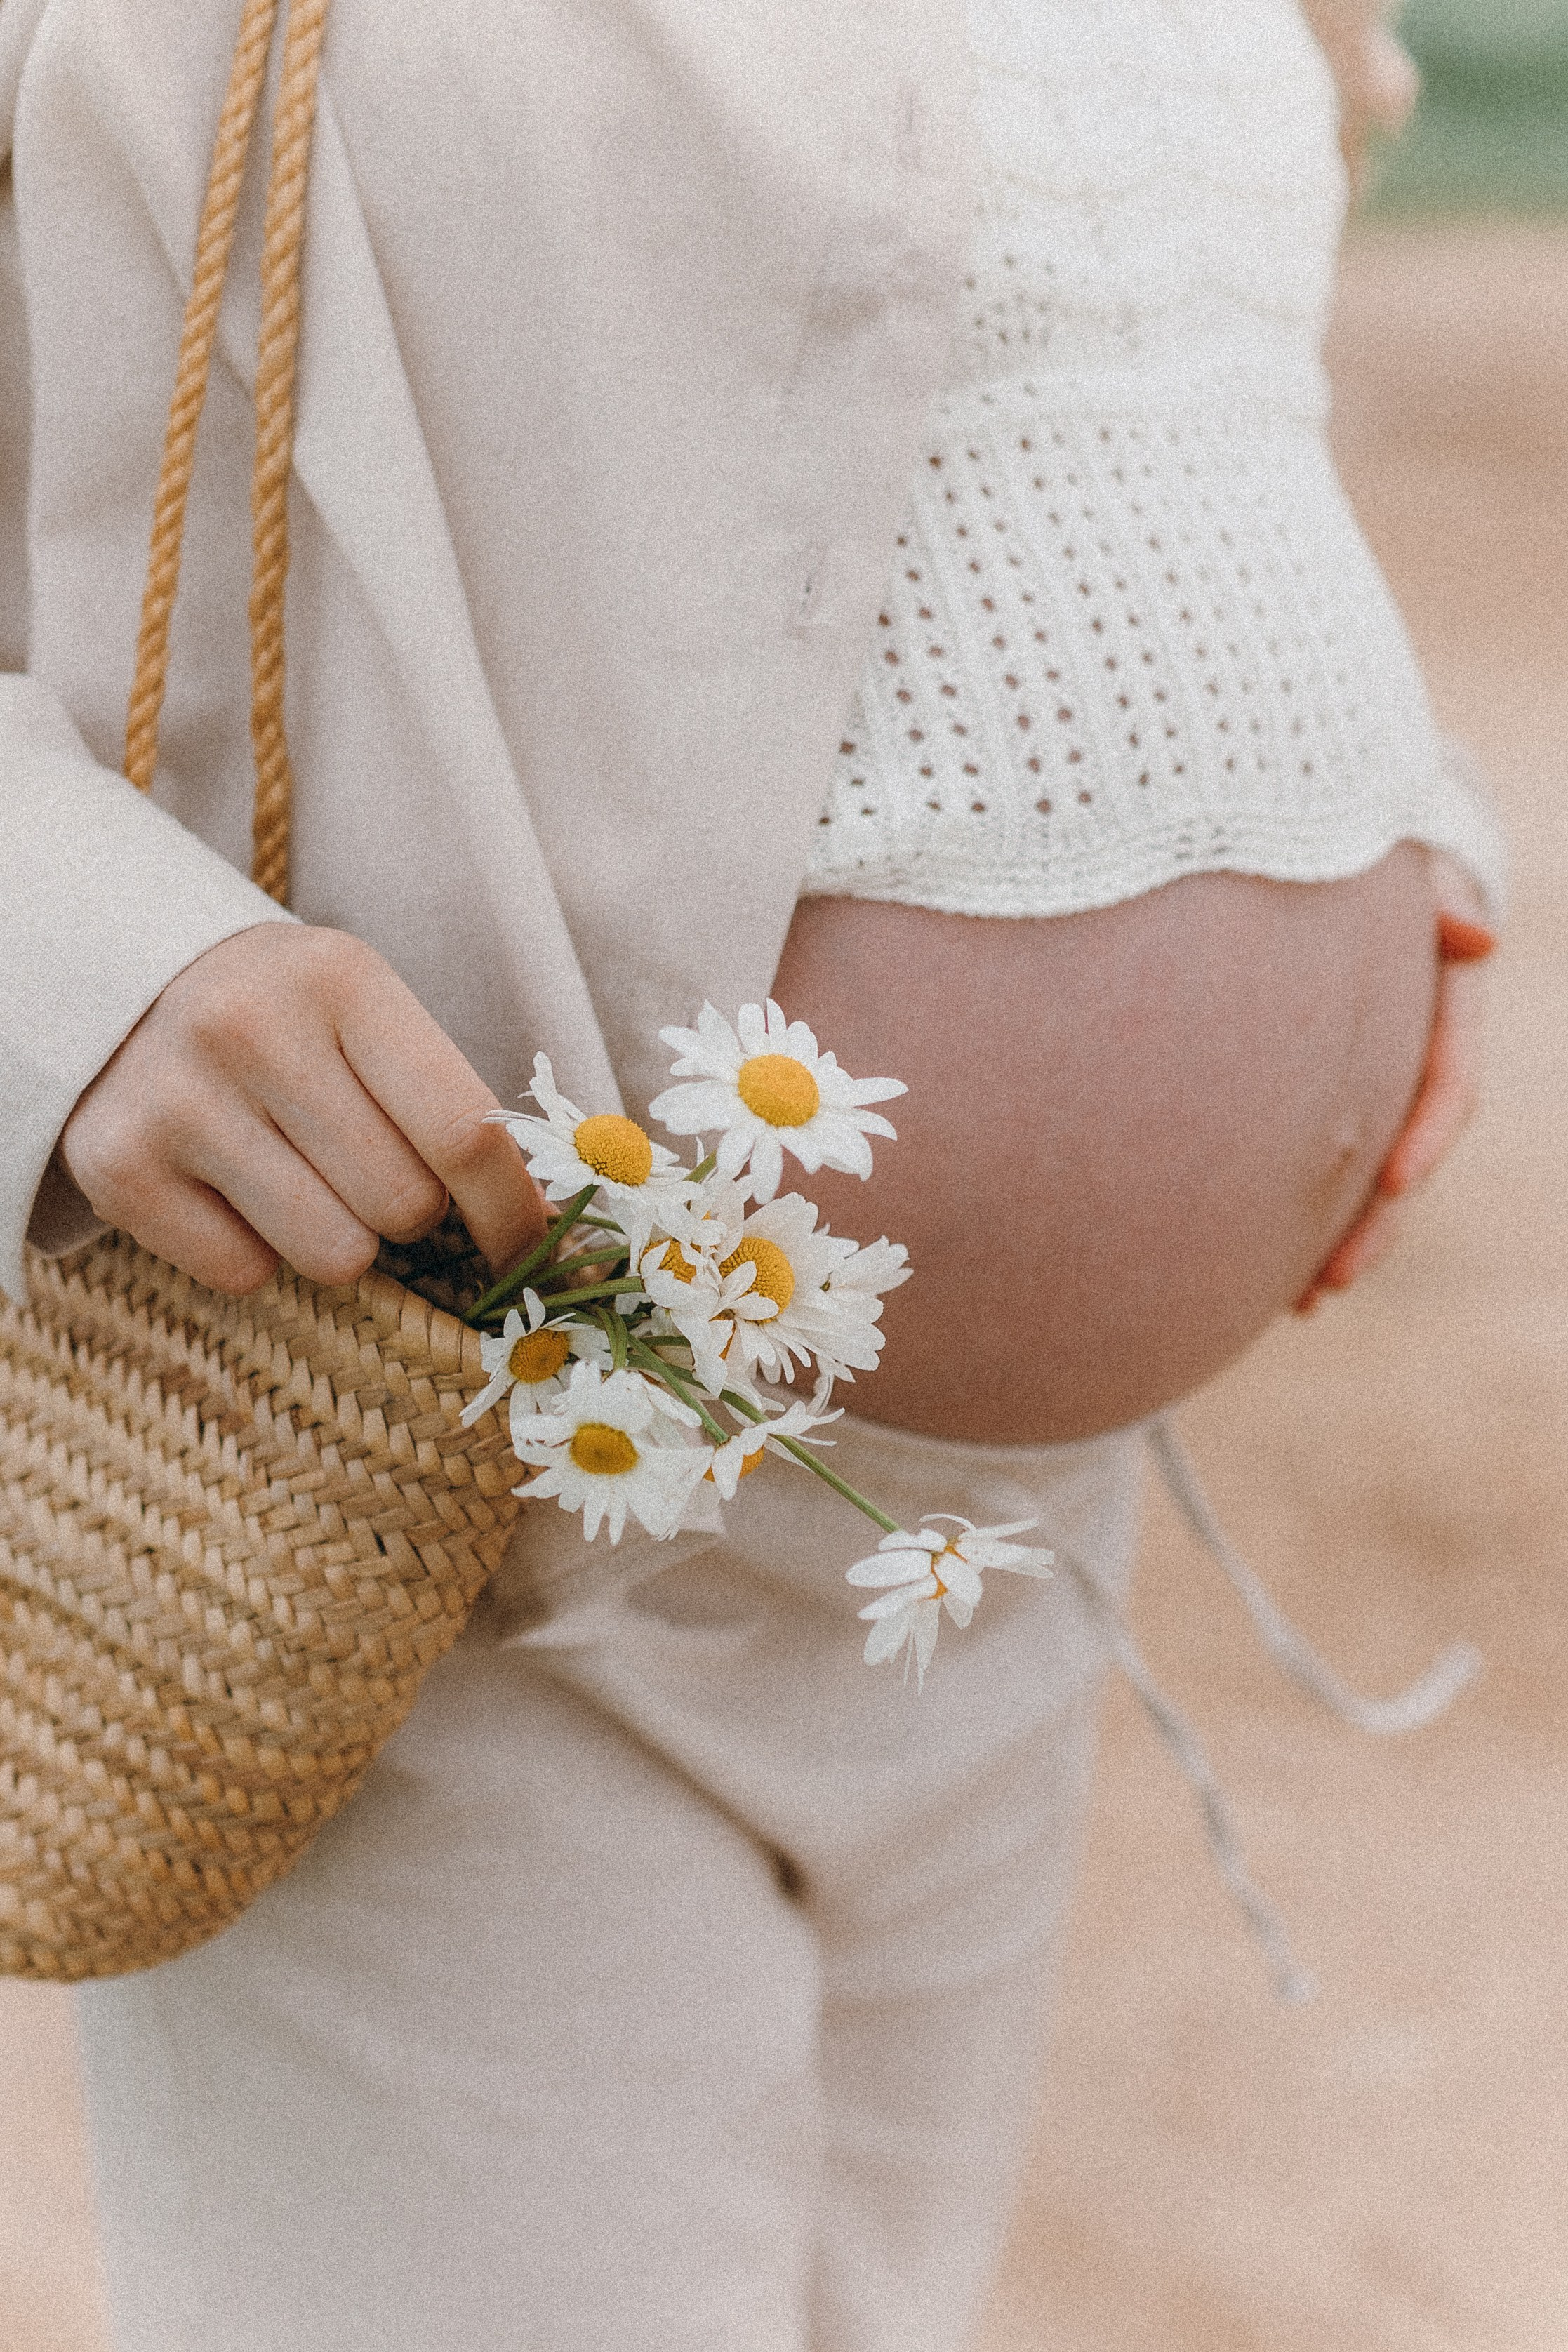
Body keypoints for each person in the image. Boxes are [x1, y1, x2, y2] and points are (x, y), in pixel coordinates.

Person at [0, 1, 1501, 2347]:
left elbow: (1160, 350)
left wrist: (1379, 810)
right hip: (437, 1512)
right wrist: (64, 949)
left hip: (998, 1548)